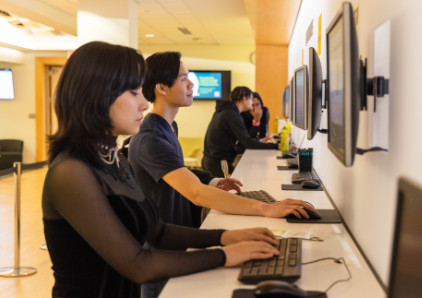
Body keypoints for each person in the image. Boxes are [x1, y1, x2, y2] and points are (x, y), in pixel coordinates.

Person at [42, 41, 283, 298]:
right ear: (99, 95)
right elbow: (138, 264)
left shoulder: (112, 160)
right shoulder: (71, 173)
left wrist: (226, 237)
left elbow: (158, 231)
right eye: (133, 93)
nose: (144, 104)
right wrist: (225, 254)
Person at [202, 86, 279, 177]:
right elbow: (248, 143)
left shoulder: (225, 111)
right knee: (229, 190)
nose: (251, 103)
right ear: (244, 98)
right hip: (219, 161)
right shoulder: (232, 115)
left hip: (210, 160)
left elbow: (245, 141)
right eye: (250, 99)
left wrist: (257, 141)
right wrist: (276, 146)